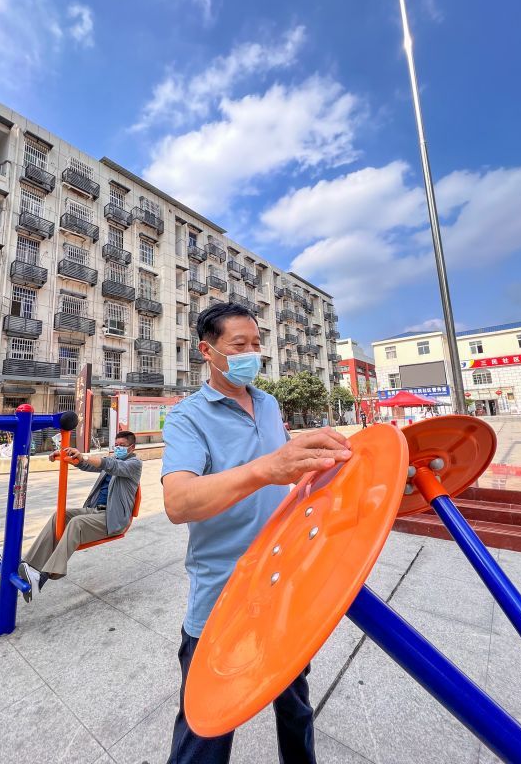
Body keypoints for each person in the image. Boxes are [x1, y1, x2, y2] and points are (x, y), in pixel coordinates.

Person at [161, 302, 353, 764]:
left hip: (283, 580)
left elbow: (288, 470)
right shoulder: (188, 417)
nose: (252, 354)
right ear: (207, 351)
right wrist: (266, 468)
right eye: (239, 345)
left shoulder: (267, 403)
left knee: (296, 705)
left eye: (256, 344)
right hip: (223, 593)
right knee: (205, 727)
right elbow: (178, 502)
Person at [16, 431, 142, 602]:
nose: (118, 448)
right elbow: (88, 465)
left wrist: (85, 456)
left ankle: (43, 577)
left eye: (122, 445)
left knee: (77, 523)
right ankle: (30, 565)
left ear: (132, 448)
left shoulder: (134, 464)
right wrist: (68, 455)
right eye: (117, 445)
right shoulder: (113, 461)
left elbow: (111, 465)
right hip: (95, 511)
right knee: (60, 515)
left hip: (113, 518)